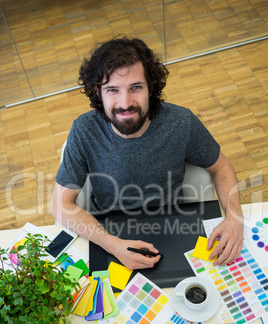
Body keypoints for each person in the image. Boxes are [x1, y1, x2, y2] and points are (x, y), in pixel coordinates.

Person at [51, 35, 244, 270]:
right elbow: (60, 205)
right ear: (97, 91)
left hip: (173, 225)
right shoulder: (84, 130)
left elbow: (221, 167)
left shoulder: (181, 122)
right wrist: (113, 245)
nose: (125, 102)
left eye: (135, 87)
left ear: (151, 86)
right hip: (109, 233)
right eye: (112, 89)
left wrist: (234, 217)